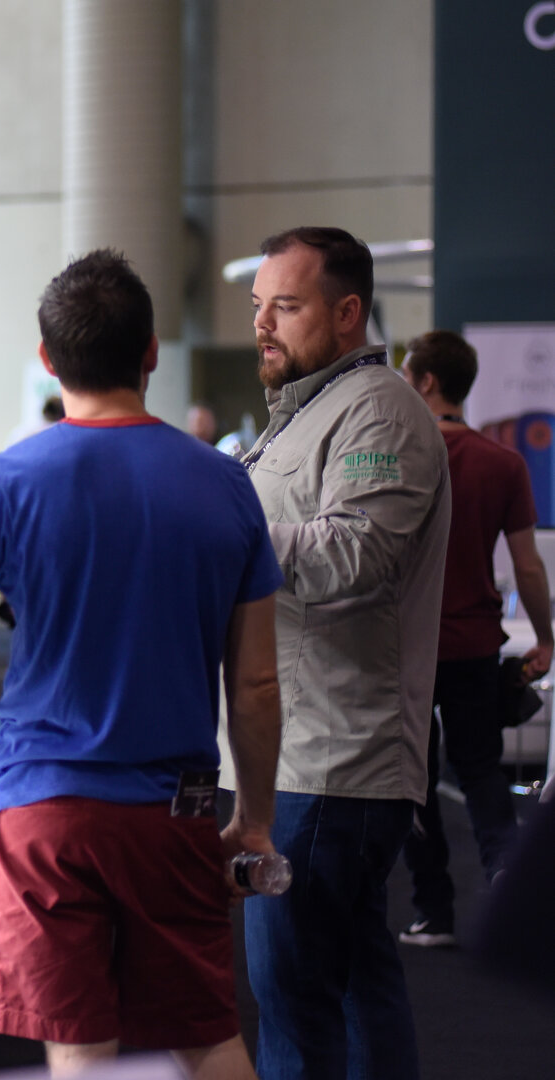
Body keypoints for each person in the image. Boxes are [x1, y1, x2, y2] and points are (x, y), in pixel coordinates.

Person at [0, 249, 283, 1080]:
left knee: (81, 1052)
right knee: (207, 1038)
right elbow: (256, 686)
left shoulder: (7, 483)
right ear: (151, 351)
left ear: (48, 359)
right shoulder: (227, 487)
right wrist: (252, 822)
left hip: (40, 812)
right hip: (175, 810)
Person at [239, 226, 450, 1080]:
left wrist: (225, 533)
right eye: (259, 307)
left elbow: (357, 552)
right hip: (310, 759)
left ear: (348, 311)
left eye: (285, 307)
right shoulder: (311, 412)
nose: (264, 324)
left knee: (295, 1012)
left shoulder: (379, 410)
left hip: (330, 766)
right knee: (355, 986)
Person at [398, 328, 554, 946]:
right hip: (473, 645)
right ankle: (508, 884)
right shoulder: (503, 463)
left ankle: (433, 911)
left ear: (428, 382)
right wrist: (546, 637)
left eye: (408, 375)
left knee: (414, 779)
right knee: (482, 770)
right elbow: (528, 566)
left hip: (407, 650)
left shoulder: (400, 456)